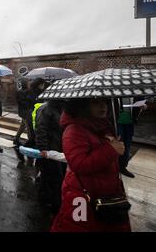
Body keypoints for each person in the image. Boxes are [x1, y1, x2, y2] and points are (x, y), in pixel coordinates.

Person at [51, 98, 131, 232]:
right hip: (82, 196)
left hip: (107, 193)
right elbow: (79, 164)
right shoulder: (74, 130)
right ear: (83, 106)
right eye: (95, 102)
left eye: (105, 102)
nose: (103, 106)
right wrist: (111, 149)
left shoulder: (102, 126)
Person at [35, 100, 66, 215]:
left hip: (60, 148)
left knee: (48, 174)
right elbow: (41, 129)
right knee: (55, 177)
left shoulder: (62, 108)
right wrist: (43, 148)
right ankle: (55, 204)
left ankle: (44, 196)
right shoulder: (46, 109)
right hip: (50, 149)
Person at [116, 97, 147, 178]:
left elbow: (141, 103)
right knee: (118, 145)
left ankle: (123, 167)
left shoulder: (134, 91)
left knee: (127, 145)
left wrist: (143, 106)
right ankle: (115, 166)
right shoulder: (114, 90)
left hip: (130, 122)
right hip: (117, 122)